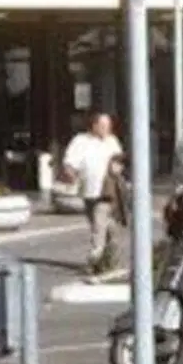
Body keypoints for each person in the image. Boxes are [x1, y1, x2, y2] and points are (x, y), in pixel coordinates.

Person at [63, 112, 125, 275]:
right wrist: (70, 175)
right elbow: (70, 163)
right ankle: (111, 258)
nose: (107, 129)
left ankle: (94, 260)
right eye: (103, 126)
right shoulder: (80, 141)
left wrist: (117, 168)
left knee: (98, 226)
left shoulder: (112, 141)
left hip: (106, 192)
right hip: (88, 191)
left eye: (109, 126)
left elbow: (119, 160)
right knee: (104, 226)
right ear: (94, 126)